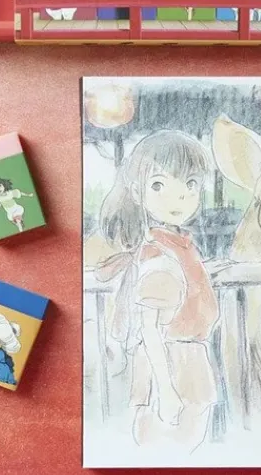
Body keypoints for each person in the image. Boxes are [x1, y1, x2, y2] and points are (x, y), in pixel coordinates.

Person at [94, 130, 220, 450]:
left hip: (186, 362)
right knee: (171, 451)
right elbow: (149, 330)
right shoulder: (159, 258)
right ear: (138, 192)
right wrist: (166, 391)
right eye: (159, 185)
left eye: (190, 184)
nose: (179, 197)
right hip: (172, 365)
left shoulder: (176, 247)